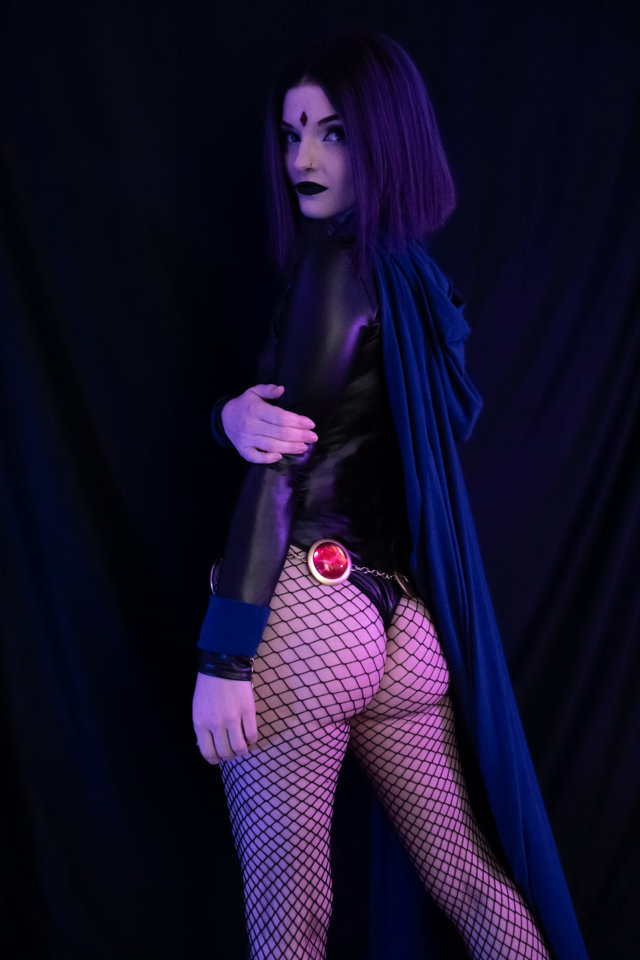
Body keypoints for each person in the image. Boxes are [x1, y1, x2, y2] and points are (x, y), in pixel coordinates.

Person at [192, 33, 587, 960]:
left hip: (305, 616)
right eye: (292, 133)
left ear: (385, 138)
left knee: (288, 925)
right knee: (476, 887)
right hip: (403, 628)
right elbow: (321, 432)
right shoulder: (411, 277)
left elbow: (284, 463)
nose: (303, 157)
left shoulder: (334, 266)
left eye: (333, 132)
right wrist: (228, 416)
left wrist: (226, 650)